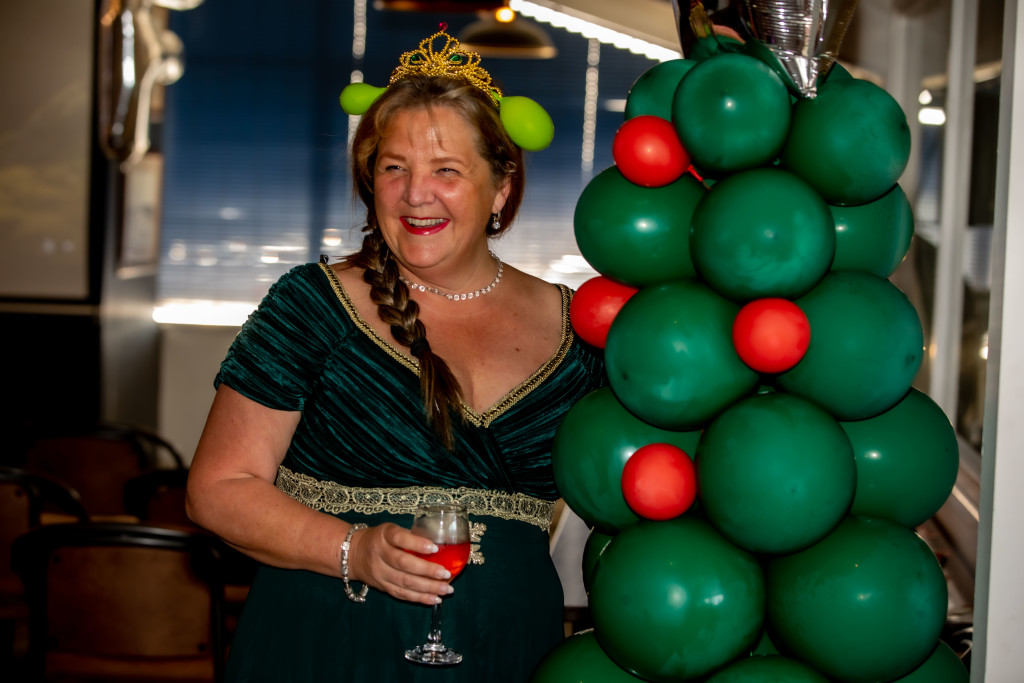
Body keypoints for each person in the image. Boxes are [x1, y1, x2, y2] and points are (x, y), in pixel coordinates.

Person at [185, 26, 605, 682]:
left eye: (446, 170)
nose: (415, 193)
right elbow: (216, 490)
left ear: (501, 187)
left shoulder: (581, 327)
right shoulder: (311, 304)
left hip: (509, 650)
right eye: (394, 167)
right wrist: (352, 548)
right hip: (327, 647)